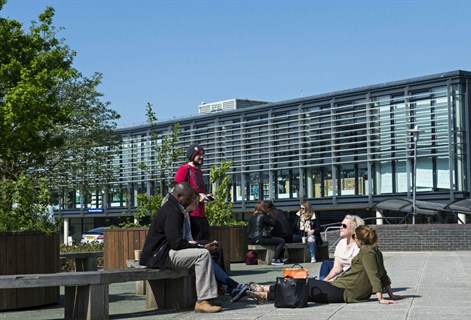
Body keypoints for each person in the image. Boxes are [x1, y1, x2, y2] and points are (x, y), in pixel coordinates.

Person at [248, 225, 407, 304]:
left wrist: (381, 298)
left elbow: (374, 275)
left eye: (355, 237)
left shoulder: (366, 252)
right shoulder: (375, 251)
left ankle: (265, 292)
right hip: (344, 288)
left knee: (305, 285)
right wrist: (391, 295)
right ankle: (265, 291)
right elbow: (383, 274)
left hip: (344, 290)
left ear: (359, 239)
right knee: (306, 287)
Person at [139, 182, 222, 313]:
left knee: (203, 252)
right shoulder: (173, 212)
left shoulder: (173, 208)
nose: (190, 202)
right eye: (188, 199)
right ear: (178, 195)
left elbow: (177, 242)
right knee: (203, 254)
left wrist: (201, 245)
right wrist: (201, 246)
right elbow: (176, 243)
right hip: (159, 257)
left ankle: (208, 297)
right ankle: (202, 301)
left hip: (162, 254)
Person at [179, 203, 249, 302]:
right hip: (176, 252)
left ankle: (230, 288)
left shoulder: (186, 215)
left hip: (187, 247)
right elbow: (177, 242)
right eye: (195, 201)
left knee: (214, 252)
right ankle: (232, 286)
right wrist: (201, 246)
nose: (197, 205)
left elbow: (188, 238)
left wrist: (203, 244)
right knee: (205, 255)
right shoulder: (178, 213)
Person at [174, 144, 211, 241]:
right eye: (199, 154)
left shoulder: (199, 172)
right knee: (196, 242)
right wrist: (198, 196)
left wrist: (204, 196)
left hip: (201, 214)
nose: (202, 157)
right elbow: (177, 191)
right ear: (192, 155)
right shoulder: (184, 169)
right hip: (191, 215)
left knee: (205, 242)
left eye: (203, 154)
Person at [319, 215, 364, 281]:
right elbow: (337, 268)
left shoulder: (358, 246)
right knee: (326, 263)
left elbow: (354, 269)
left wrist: (335, 279)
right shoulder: (341, 243)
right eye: (341, 225)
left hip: (352, 276)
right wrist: (325, 280)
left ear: (353, 229)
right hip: (341, 273)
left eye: (344, 226)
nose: (341, 227)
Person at [248, 202, 285, 266]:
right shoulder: (262, 216)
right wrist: (268, 215)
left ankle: (275, 259)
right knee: (281, 241)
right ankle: (275, 259)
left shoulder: (251, 217)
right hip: (261, 238)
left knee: (275, 240)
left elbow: (249, 230)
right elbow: (273, 224)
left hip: (252, 239)